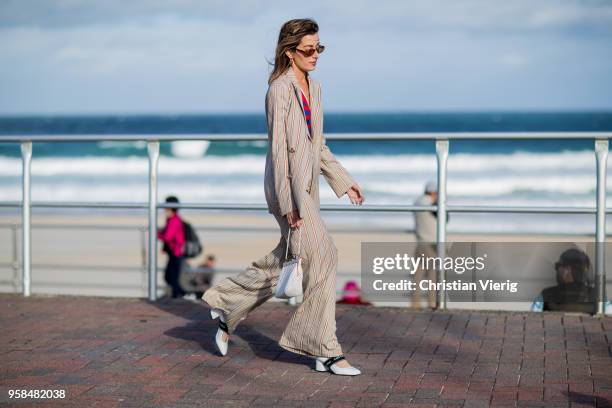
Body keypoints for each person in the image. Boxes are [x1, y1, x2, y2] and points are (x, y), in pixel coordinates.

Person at [202, 18, 365, 376]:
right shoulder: (279, 89)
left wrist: (343, 180)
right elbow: (280, 151)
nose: (315, 55)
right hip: (287, 189)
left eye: (319, 48)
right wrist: (289, 204)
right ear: (289, 52)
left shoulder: (316, 87)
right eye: (308, 49)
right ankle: (325, 349)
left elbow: (315, 145)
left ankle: (228, 304)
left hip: (309, 189)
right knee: (324, 256)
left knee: (290, 257)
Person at [411, 181, 446, 309]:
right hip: (432, 243)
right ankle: (432, 302)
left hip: (420, 241)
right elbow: (445, 218)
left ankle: (415, 302)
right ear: (433, 192)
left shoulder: (417, 202)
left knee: (418, 274)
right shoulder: (432, 205)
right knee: (432, 275)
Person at [531, 248, 595, 314]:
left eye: (558, 266)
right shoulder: (597, 296)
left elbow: (533, 319)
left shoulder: (546, 296)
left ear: (567, 270)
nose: (557, 270)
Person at [157, 196, 187, 299]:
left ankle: (181, 295)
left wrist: (156, 233)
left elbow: (168, 237)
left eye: (166, 206)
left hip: (176, 253)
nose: (164, 208)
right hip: (173, 252)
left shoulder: (174, 220)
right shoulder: (172, 219)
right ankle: (181, 294)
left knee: (171, 277)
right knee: (170, 277)